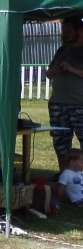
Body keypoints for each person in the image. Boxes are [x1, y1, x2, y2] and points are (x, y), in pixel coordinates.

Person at [45, 17, 83, 171]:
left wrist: (72, 69)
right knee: (60, 144)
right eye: (63, 30)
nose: (64, 34)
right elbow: (48, 74)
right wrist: (55, 70)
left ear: (80, 31)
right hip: (58, 104)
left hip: (80, 105)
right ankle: (64, 177)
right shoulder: (62, 51)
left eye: (68, 30)